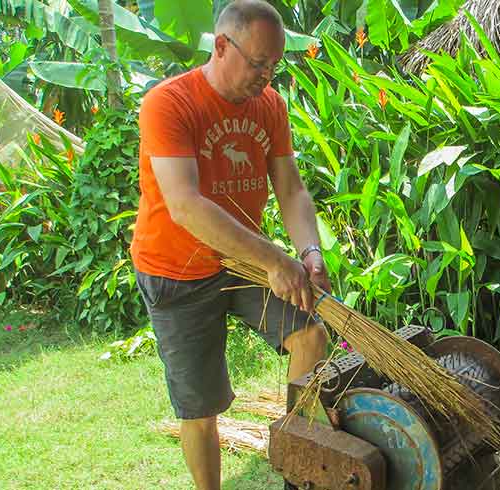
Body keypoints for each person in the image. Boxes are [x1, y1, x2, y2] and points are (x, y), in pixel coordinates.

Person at [129, 1, 330, 488]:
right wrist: (273, 258)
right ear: (221, 46)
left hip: (241, 264)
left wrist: (309, 252)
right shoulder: (169, 103)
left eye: (275, 65)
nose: (267, 76)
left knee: (311, 336)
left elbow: (291, 188)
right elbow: (185, 205)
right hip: (175, 269)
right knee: (202, 408)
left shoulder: (270, 106)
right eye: (258, 63)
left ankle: (295, 470)